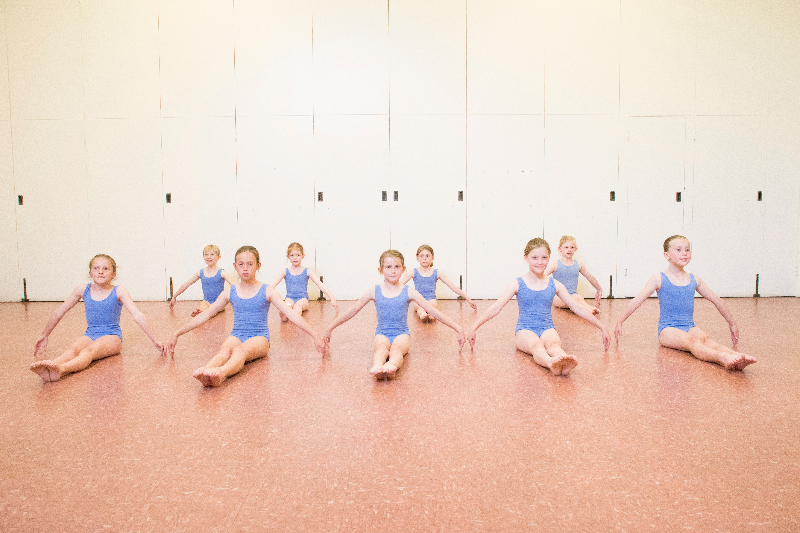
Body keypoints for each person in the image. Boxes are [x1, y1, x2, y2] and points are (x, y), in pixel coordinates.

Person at [166, 245, 325, 387]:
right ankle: (206, 371)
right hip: (237, 334)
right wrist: (177, 333)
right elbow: (206, 314)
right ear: (235, 266)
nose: (245, 268)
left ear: (258, 266)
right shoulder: (230, 291)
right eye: (241, 265)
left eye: (250, 264)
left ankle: (222, 373)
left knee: (239, 351)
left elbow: (292, 314)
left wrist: (315, 334)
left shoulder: (267, 290)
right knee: (225, 350)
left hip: (260, 338)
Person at [467, 238, 609, 376]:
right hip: (525, 330)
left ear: (549, 258)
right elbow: (496, 308)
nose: (540, 262)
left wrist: (601, 326)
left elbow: (577, 307)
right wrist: (474, 327)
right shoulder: (518, 283)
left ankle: (565, 360)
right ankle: (550, 362)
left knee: (554, 345)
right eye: (535, 258)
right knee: (537, 346)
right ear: (526, 258)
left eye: (544, 258)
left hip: (548, 328)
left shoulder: (555, 284)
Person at [614, 235, 756, 371]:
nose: (684, 253)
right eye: (678, 250)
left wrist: (732, 323)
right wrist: (620, 321)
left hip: (689, 325)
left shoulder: (695, 280)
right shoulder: (659, 279)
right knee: (693, 342)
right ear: (666, 255)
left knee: (708, 340)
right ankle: (723, 358)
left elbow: (717, 300)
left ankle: (738, 357)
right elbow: (636, 301)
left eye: (687, 249)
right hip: (668, 330)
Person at [323, 250, 465, 379]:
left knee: (396, 349)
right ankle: (378, 366)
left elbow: (434, 311)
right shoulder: (374, 291)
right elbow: (352, 311)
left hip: (402, 334)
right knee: (380, 348)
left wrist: (457, 328)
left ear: (403, 270)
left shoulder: (408, 291)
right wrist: (330, 327)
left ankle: (392, 366)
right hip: (382, 333)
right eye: (388, 267)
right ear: (380, 270)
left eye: (397, 267)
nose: (393, 271)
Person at [30, 254, 164, 382]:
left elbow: (138, 315)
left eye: (106, 269)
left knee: (89, 351)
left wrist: (155, 340)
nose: (101, 272)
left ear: (113, 274)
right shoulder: (82, 289)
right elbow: (60, 311)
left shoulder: (119, 291)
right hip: (90, 334)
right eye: (96, 268)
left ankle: (61, 369)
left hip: (112, 337)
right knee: (73, 349)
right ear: (90, 273)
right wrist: (44, 335)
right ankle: (51, 365)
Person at [399, 244, 477, 322]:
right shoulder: (414, 272)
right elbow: (399, 285)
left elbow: (452, 286)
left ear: (432, 258)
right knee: (420, 307)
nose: (424, 258)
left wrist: (468, 299)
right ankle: (422, 313)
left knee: (431, 304)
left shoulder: (436, 273)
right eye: (421, 256)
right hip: (418, 300)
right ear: (417, 258)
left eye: (427, 256)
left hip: (431, 299)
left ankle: (431, 313)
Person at [269, 242, 338, 322]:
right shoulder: (285, 271)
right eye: (292, 255)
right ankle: (284, 315)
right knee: (286, 306)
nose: (295, 258)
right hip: (289, 298)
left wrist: (332, 297)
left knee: (297, 307)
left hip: (303, 299)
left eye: (298, 255)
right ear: (288, 257)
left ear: (303, 256)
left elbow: (320, 284)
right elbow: (272, 285)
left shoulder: (307, 271)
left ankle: (293, 316)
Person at [170, 245, 236, 317]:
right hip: (206, 302)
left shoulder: (221, 272)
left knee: (213, 308)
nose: (209, 257)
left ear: (218, 257)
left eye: (212, 254)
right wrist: (174, 296)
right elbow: (187, 284)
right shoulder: (200, 272)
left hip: (219, 303)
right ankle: (202, 312)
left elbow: (234, 285)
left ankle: (204, 314)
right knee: (203, 305)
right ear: (203, 257)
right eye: (206, 254)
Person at [544, 236, 603, 315]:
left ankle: (589, 309)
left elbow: (589, 276)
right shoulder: (555, 264)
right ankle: (588, 309)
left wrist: (599, 289)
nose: (569, 250)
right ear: (560, 249)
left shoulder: (578, 264)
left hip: (573, 296)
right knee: (575, 299)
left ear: (575, 249)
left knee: (579, 298)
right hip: (558, 298)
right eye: (566, 247)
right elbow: (541, 277)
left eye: (572, 247)